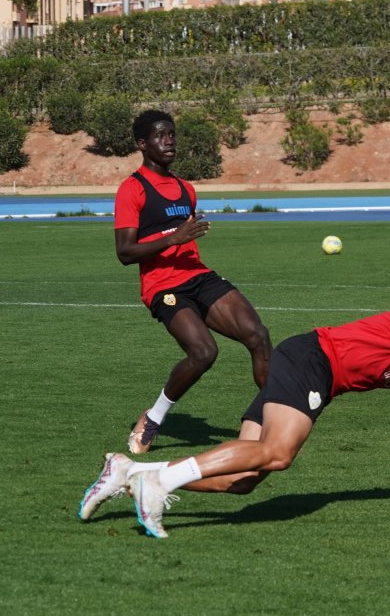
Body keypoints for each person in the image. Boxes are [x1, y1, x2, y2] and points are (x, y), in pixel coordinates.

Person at [80, 284, 390, 538]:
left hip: (314, 369)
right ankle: (159, 485)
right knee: (277, 454)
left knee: (246, 477)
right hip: (312, 359)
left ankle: (131, 472)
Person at [112, 109, 272, 454]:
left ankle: (270, 420)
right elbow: (125, 252)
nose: (168, 141)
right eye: (159, 135)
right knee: (203, 352)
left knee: (258, 335)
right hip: (163, 287)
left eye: (171, 134)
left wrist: (183, 238)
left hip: (198, 275)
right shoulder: (132, 189)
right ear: (142, 144)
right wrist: (174, 238)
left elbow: (185, 238)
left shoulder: (186, 189)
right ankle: (153, 419)